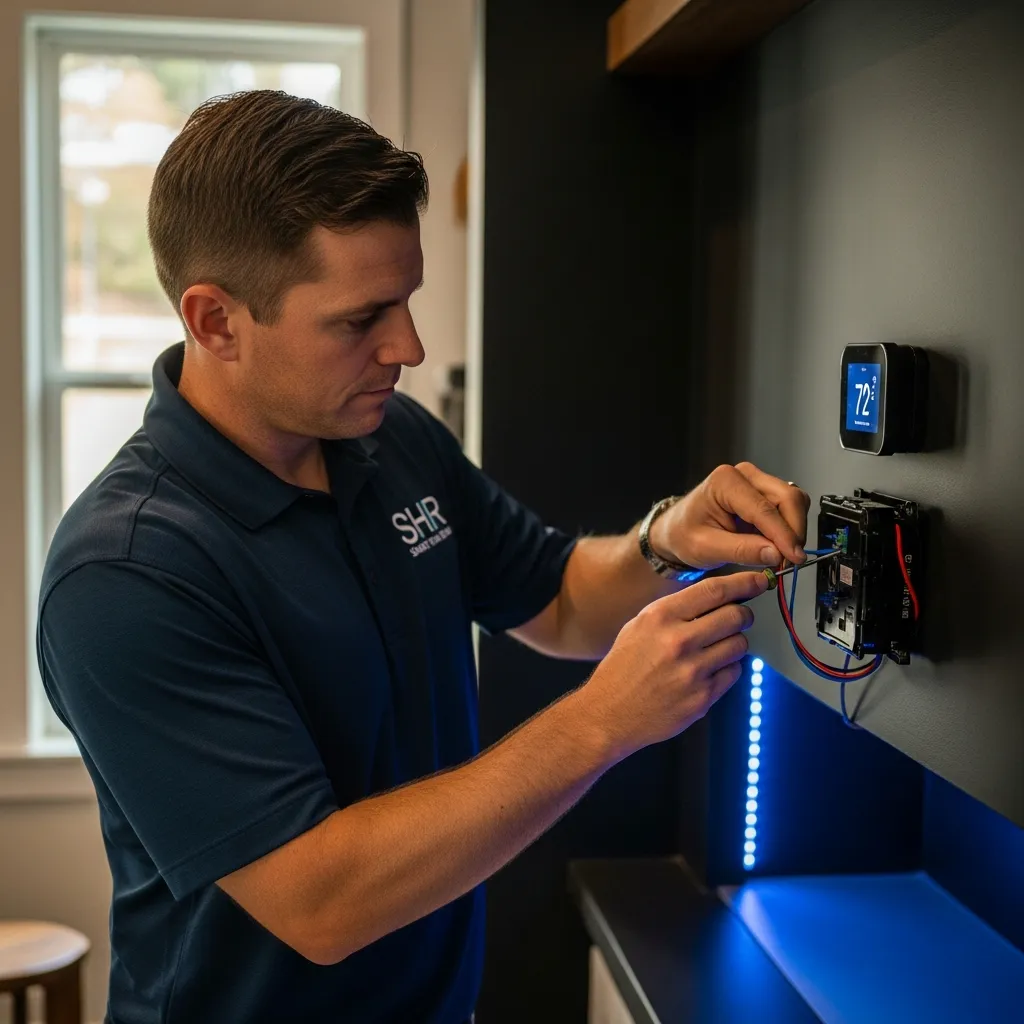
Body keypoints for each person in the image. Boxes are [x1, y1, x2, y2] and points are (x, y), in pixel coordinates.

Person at [38, 91, 810, 1024]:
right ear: (215, 322)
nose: (408, 347)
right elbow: (321, 903)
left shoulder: (388, 437)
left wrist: (666, 536)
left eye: (405, 300)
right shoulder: (127, 574)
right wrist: (606, 722)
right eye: (361, 320)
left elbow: (560, 600)